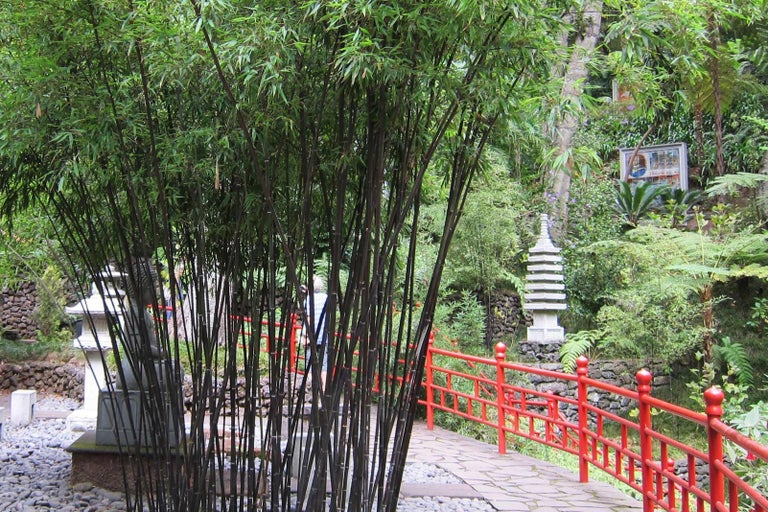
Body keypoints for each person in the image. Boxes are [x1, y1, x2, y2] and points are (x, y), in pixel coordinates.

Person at [302, 275, 329, 388]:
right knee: (324, 364)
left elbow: (308, 318)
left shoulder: (308, 299)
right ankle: (324, 388)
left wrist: (304, 335)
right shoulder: (327, 298)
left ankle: (312, 388)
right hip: (324, 335)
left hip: (311, 336)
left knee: (310, 361)